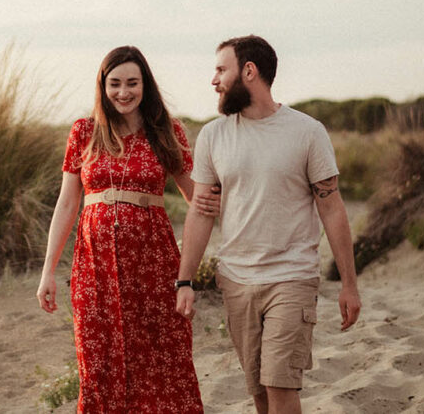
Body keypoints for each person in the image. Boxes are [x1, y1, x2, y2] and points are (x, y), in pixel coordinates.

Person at [175, 35, 361, 414]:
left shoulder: (307, 132)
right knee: (259, 391)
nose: (214, 80)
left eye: (221, 70)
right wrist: (185, 280)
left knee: (280, 384)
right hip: (237, 280)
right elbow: (200, 212)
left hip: (291, 276)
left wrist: (349, 285)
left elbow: (332, 209)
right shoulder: (213, 136)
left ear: (249, 71)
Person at [36, 45, 218, 413]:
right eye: (115, 84)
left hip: (154, 268)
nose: (123, 92)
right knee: (99, 366)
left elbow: (195, 196)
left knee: (162, 363)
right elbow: (68, 203)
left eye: (132, 83)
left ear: (145, 85)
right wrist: (48, 272)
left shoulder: (167, 132)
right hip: (94, 272)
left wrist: (224, 194)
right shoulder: (84, 132)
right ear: (103, 87)